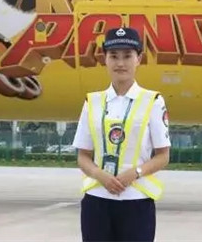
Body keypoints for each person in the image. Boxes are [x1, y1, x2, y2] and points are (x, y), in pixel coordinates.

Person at [72, 27, 171, 242]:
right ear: (105, 60)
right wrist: (100, 175)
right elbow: (83, 156)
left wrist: (135, 173)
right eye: (114, 56)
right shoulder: (92, 102)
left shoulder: (153, 101)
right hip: (97, 200)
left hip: (137, 200)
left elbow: (163, 156)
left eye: (127, 56)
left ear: (138, 59)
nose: (120, 63)